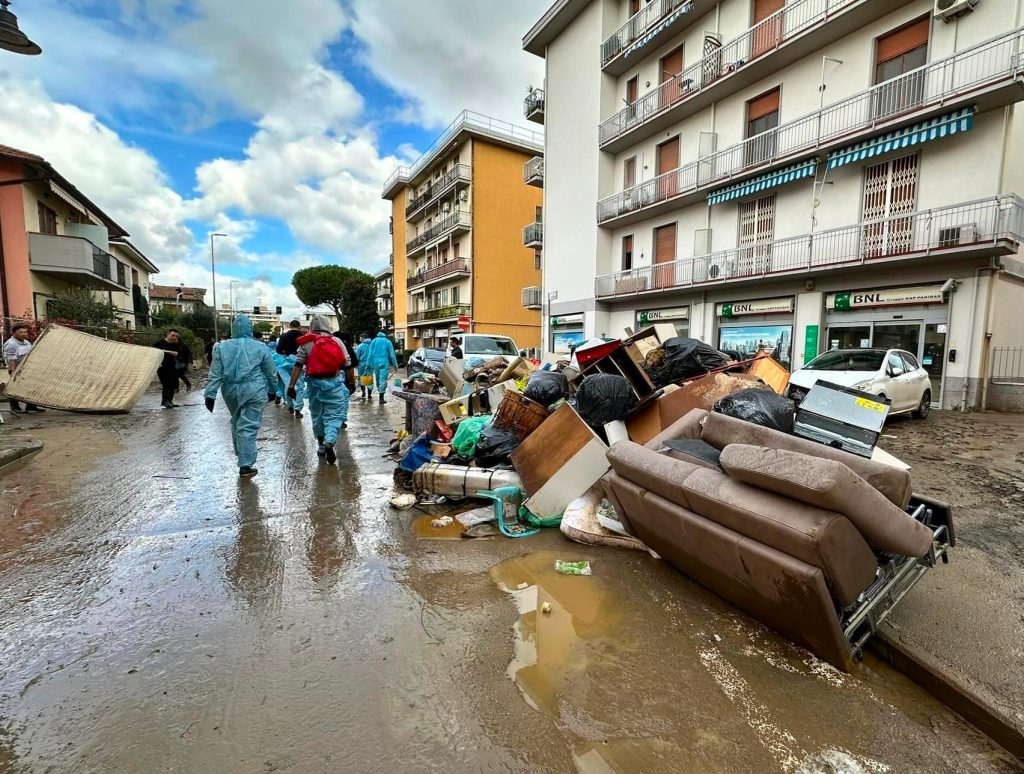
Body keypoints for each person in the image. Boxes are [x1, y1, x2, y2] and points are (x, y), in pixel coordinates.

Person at [204, 315, 277, 478]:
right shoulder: (260, 347)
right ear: (250, 329)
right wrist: (273, 389)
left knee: (237, 421)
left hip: (230, 390)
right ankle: (245, 464)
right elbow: (270, 372)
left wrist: (210, 394)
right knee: (248, 425)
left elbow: (215, 372)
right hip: (254, 389)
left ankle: (242, 456)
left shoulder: (222, 347)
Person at [288, 315, 349, 465]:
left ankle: (321, 446)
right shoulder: (336, 341)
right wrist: (352, 383)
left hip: (314, 385)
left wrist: (291, 386)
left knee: (317, 416)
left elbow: (298, 364)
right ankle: (330, 441)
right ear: (327, 325)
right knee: (334, 416)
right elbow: (347, 364)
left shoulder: (306, 342)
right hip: (334, 384)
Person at [3, 323, 43, 413]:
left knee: (31, 386)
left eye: (25, 332)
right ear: (13, 333)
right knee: (15, 388)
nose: (24, 334)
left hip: (27, 368)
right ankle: (15, 408)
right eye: (21, 332)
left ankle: (31, 406)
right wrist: (13, 372)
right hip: (16, 368)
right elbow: (11, 359)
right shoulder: (11, 344)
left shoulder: (26, 342)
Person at [275, 320, 306, 417]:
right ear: (299, 326)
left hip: (285, 364)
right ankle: (298, 409)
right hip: (299, 363)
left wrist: (286, 354)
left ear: (290, 326)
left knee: (288, 384)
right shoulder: (303, 336)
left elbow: (278, 350)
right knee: (299, 385)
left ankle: (290, 406)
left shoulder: (283, 336)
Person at [154, 329, 183, 409]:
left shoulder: (175, 345)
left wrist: (166, 351)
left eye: (176, 336)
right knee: (166, 384)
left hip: (172, 366)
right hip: (162, 367)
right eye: (173, 335)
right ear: (168, 334)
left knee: (173, 384)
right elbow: (154, 352)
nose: (174, 337)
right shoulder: (159, 343)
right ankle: (164, 401)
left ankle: (170, 401)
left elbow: (177, 353)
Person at [366, 331, 397, 404]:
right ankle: (381, 397)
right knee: (383, 378)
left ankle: (379, 392)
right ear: (384, 335)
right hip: (384, 361)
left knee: (377, 378)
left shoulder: (374, 341)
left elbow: (370, 354)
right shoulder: (387, 342)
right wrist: (395, 365)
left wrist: (368, 364)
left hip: (375, 361)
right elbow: (392, 355)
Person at [354, 333, 371, 401]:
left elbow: (356, 357)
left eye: (360, 338)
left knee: (361, 378)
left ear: (363, 338)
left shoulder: (360, 347)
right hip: (370, 364)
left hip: (362, 364)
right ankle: (369, 394)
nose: (359, 339)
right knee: (369, 378)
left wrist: (356, 364)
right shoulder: (371, 345)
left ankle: (364, 392)